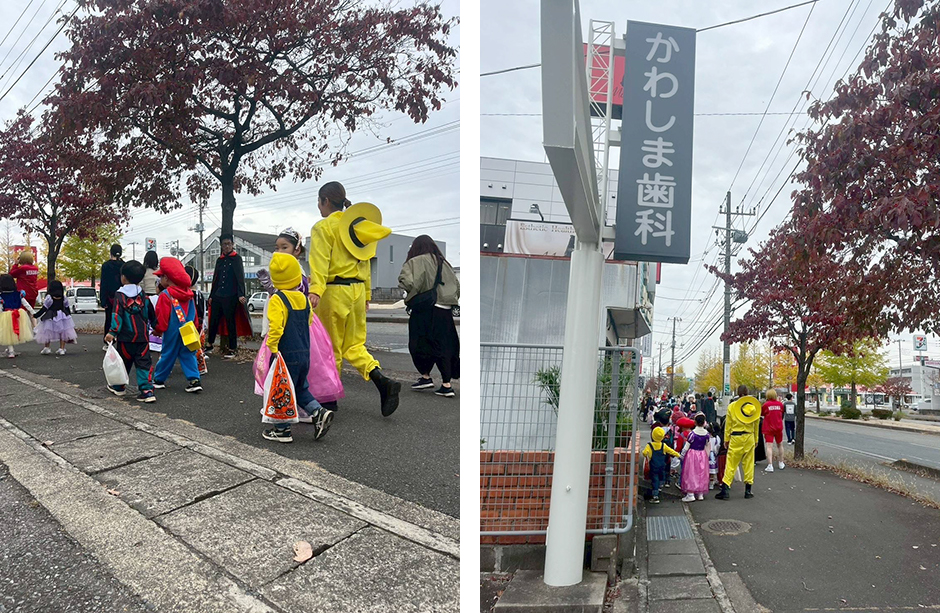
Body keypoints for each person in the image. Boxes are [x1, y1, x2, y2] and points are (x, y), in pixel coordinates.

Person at [308, 181, 401, 417]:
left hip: (333, 290)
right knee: (355, 345)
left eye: (319, 203)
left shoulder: (323, 227)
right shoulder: (357, 227)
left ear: (325, 201)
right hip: (358, 291)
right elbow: (365, 259)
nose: (319, 208)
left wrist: (315, 290)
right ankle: (381, 380)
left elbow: (319, 261)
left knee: (331, 347)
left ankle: (329, 400)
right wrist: (367, 293)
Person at [255, 228, 344, 406]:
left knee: (292, 366)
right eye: (277, 247)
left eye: (284, 247)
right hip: (290, 322)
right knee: (299, 366)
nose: (279, 252)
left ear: (297, 250)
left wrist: (273, 290)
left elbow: (290, 297)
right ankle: (303, 404)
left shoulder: (297, 272)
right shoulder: (285, 271)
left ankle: (294, 405)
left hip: (291, 326)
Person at [261, 253, 334, 443]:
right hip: (304, 352)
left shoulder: (278, 299)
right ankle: (319, 412)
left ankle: (282, 430)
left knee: (281, 389)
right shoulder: (303, 298)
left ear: (275, 279)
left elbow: (275, 327)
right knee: (300, 387)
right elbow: (309, 321)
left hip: (285, 354)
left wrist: (273, 347)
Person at [398, 235, 460, 398]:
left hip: (425, 308)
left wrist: (411, 295)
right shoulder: (445, 263)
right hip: (445, 309)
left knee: (419, 343)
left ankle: (426, 376)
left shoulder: (415, 261)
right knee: (445, 345)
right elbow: (457, 286)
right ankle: (446, 385)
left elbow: (407, 282)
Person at [104, 261, 157, 402]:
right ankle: (146, 390)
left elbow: (117, 314)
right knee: (144, 363)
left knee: (123, 362)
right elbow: (151, 312)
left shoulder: (120, 295)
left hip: (126, 338)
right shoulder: (143, 295)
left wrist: (112, 332)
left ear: (123, 277)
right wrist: (157, 328)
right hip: (142, 337)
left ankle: (119, 387)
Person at [151, 258, 202, 392]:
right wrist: (196, 327)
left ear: (167, 278)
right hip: (188, 330)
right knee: (188, 354)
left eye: (161, 276)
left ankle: (159, 379)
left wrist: (158, 329)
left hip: (172, 330)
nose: (160, 279)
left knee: (168, 353)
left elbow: (162, 316)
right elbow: (194, 315)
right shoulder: (189, 294)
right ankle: (194, 380)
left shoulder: (165, 295)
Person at [206, 233, 247, 359]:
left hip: (231, 295)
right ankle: (210, 344)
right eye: (224, 244)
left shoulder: (237, 259)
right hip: (218, 295)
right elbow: (215, 279)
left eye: (229, 244)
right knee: (213, 320)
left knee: (231, 322)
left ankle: (232, 348)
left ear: (233, 245)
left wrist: (241, 294)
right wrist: (212, 295)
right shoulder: (219, 260)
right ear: (221, 246)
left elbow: (240, 277)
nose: (227, 246)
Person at [716, 385, 760, 500]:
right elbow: (756, 425)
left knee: (731, 463)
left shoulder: (732, 406)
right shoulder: (754, 407)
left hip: (736, 436)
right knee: (749, 463)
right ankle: (748, 490)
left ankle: (725, 490)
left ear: (738, 393)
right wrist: (756, 439)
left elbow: (728, 425)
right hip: (749, 436)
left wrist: (726, 439)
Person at [33, 280, 77, 355]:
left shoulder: (49, 297)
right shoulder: (63, 297)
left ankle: (47, 348)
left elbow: (44, 308)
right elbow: (67, 307)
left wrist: (36, 315)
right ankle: (62, 348)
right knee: (63, 332)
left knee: (47, 331)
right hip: (62, 315)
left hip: (51, 316)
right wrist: (69, 316)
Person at [642, 426, 681, 504]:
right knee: (661, 476)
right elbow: (671, 451)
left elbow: (644, 453)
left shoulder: (649, 446)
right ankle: (661, 485)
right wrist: (679, 455)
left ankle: (655, 496)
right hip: (662, 465)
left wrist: (647, 454)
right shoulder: (663, 445)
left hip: (653, 466)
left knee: (655, 480)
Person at [0, 273, 34, 357]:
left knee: (8, 333)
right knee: (13, 332)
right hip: (18, 314)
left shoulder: (1, 296)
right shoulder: (19, 294)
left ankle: (11, 351)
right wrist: (33, 312)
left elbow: (0, 307)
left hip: (5, 315)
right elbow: (26, 304)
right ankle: (10, 350)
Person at [681, 413, 712, 502]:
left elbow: (686, 446)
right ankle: (700, 493)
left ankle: (690, 494)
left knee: (691, 473)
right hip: (702, 454)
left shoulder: (692, 434)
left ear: (695, 422)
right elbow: (708, 446)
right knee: (701, 473)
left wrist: (682, 455)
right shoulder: (707, 434)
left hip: (692, 454)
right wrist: (707, 456)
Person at [99, 244, 124, 350]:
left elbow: (103, 283)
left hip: (110, 297)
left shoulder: (106, 266)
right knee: (123, 318)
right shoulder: (124, 265)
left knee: (109, 319)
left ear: (111, 252)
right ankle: (122, 341)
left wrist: (103, 300)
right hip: (123, 296)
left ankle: (108, 342)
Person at [761, 389, 786, 471]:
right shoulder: (780, 405)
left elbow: (762, 413)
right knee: (780, 445)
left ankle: (770, 465)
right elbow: (782, 413)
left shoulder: (766, 405)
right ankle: (781, 463)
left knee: (769, 446)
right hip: (778, 427)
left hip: (768, 428)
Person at [707, 422, 721, 490]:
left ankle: (708, 482)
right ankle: (711, 483)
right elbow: (717, 447)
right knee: (712, 470)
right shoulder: (717, 438)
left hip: (707, 454)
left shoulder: (706, 436)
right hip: (713, 455)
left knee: (707, 470)